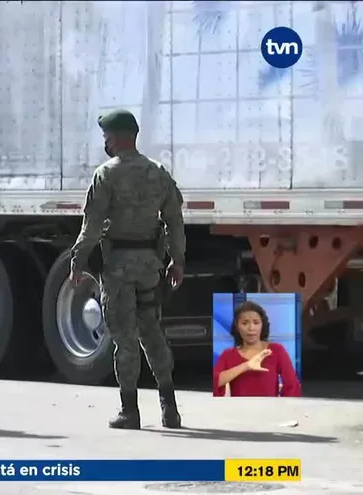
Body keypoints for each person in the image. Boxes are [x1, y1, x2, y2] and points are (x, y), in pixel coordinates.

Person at [68, 110, 185, 430]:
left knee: (124, 338)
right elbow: (174, 220)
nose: (104, 142)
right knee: (152, 333)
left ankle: (129, 411)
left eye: (106, 136)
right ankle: (170, 408)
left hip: (118, 268)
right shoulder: (158, 172)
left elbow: (91, 228)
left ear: (117, 137)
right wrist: (177, 260)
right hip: (150, 266)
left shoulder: (106, 175)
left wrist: (77, 261)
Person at [212, 301, 301, 397]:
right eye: (245, 323)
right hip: (239, 411)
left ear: (262, 325)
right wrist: (245, 366)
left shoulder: (277, 350)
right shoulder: (227, 354)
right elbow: (214, 382)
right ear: (237, 326)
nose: (251, 328)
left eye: (256, 322)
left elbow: (292, 386)